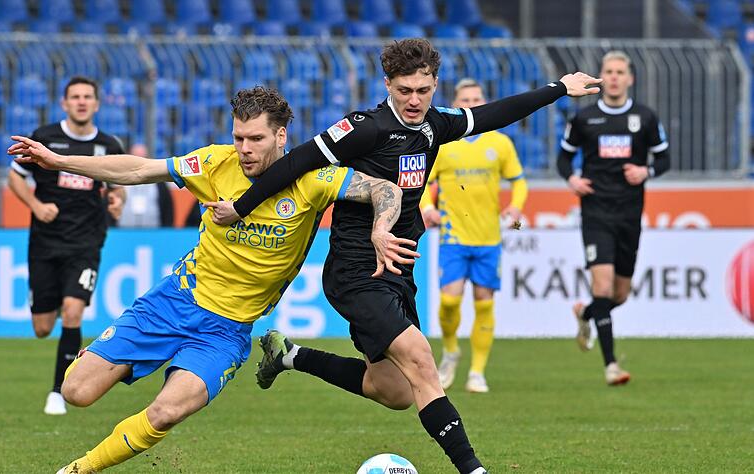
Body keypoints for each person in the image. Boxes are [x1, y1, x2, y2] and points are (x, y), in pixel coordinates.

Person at [204, 38, 600, 473]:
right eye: (404, 90)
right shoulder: (364, 128)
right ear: (387, 84)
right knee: (421, 359)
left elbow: (492, 115)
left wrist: (558, 87)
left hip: (398, 270)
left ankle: (290, 356)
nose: (414, 101)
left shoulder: (434, 125)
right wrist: (240, 207)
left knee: (393, 391)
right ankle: (474, 469)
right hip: (356, 271)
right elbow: (296, 161)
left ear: (434, 85)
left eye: (423, 91)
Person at [8, 86, 410, 474]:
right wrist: (58, 162)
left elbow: (385, 189)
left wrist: (380, 230)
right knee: (76, 391)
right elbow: (138, 168)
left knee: (165, 412)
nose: (244, 148)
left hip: (225, 332)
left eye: (255, 138)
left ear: (281, 135)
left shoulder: (314, 179)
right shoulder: (216, 163)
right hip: (172, 303)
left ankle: (78, 470)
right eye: (238, 137)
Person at [7, 76, 127, 416]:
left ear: (96, 104)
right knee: (42, 327)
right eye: (75, 97)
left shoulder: (108, 145)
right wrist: (35, 206)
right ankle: (52, 306)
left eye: (88, 96)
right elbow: (15, 177)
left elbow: (119, 185)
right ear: (64, 103)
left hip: (86, 242)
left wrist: (117, 200)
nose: (81, 102)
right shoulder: (45, 138)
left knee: (74, 311)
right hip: (45, 244)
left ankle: (59, 391)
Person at [556, 50, 670, 386]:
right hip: (596, 212)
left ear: (630, 78)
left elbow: (664, 160)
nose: (615, 76)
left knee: (619, 295)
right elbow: (564, 159)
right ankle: (610, 366)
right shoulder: (584, 119)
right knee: (602, 285)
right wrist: (572, 179)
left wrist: (645, 170)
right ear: (602, 77)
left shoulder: (645, 118)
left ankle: (586, 313)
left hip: (629, 214)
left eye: (621, 71)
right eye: (609, 71)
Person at [419, 79, 528, 394]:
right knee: (450, 301)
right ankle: (451, 351)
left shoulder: (500, 143)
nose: (472, 101)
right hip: (454, 236)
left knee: (484, 303)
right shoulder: (444, 144)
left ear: (484, 102)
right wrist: (427, 208)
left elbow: (519, 182)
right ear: (457, 104)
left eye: (477, 97)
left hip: (489, 237)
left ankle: (477, 372)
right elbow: (424, 181)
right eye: (465, 98)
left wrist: (516, 208)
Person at [117, 143, 174, 228]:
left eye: (142, 158)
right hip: (122, 231)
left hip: (154, 233)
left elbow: (167, 208)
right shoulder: (119, 181)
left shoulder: (159, 181)